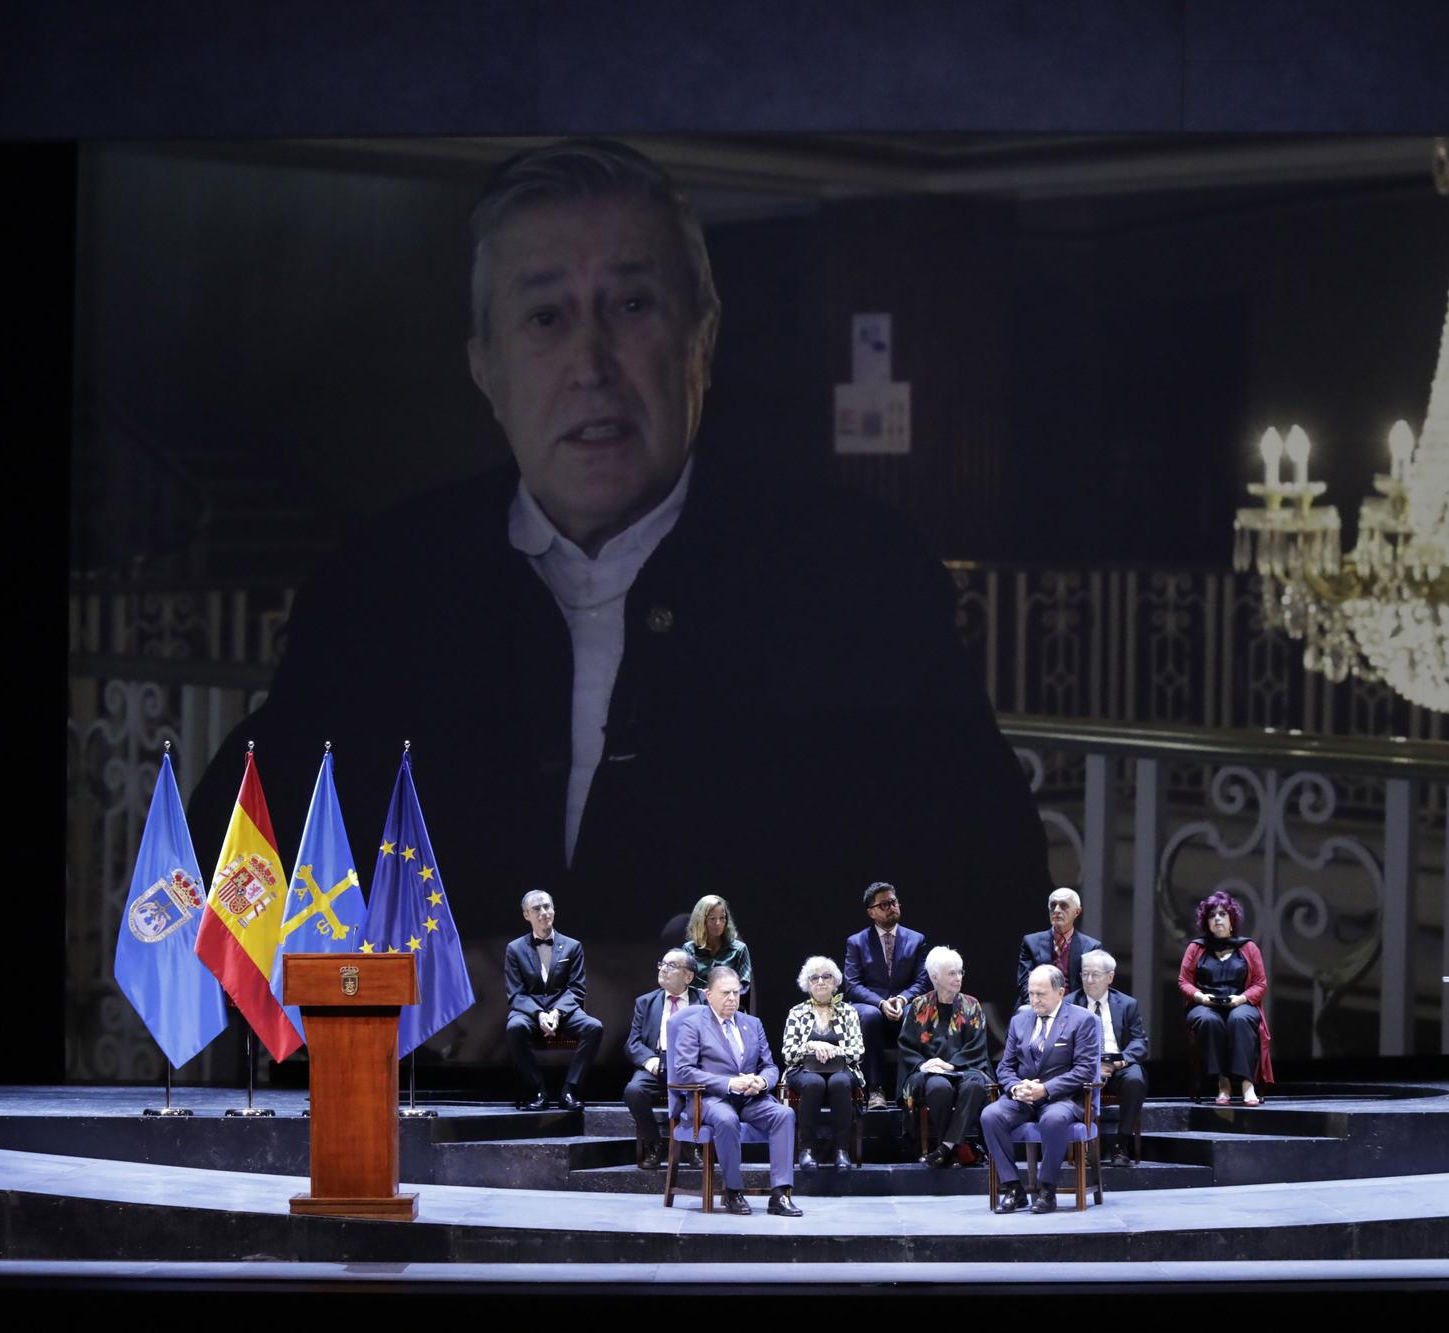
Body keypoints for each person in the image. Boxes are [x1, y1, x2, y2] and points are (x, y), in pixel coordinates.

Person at [184, 138, 1051, 1065]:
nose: (591, 362)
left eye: (633, 305)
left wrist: (674, 985)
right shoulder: (381, 582)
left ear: (703, 336)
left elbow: (983, 906)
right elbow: (236, 869)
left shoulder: (857, 580)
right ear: (485, 365)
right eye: (546, 316)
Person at [669, 966, 802, 1216]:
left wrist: (761, 1082)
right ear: (709, 995)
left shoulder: (752, 1023)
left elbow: (770, 1066)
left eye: (736, 993)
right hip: (710, 1098)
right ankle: (733, 1192)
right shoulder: (692, 1025)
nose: (732, 998)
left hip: (752, 1098)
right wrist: (729, 1083)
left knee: (785, 1115)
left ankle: (780, 1194)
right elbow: (684, 1071)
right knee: (726, 1119)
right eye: (726, 993)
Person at [983, 963, 1102, 1214]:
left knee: (1054, 1119)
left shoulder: (1083, 1021)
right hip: (1025, 1097)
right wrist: (1016, 1088)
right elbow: (1005, 1067)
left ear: (1060, 992)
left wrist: (1045, 1090)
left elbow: (1084, 1071)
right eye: (1031, 993)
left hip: (1064, 1098)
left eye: (1041, 994)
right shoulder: (1019, 1021)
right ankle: (1014, 1188)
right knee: (990, 1115)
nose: (1034, 1000)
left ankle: (1047, 1189)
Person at [503, 890, 604, 1110]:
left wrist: (557, 1012)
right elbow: (516, 994)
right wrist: (539, 1014)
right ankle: (537, 1090)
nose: (543, 912)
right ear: (526, 915)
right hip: (529, 1011)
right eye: (536, 909)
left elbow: (577, 988)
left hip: (563, 1009)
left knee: (594, 1027)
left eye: (547, 907)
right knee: (515, 1027)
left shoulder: (572, 946)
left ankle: (570, 1089)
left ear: (554, 910)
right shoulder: (515, 948)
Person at [897, 945, 991, 1169]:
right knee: (939, 1088)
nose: (958, 978)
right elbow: (906, 1045)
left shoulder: (972, 1005)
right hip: (931, 1072)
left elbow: (978, 1046)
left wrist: (950, 1064)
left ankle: (945, 1148)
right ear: (935, 977)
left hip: (966, 1067)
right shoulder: (919, 1006)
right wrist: (925, 1064)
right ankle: (960, 1148)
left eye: (960, 972)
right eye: (952, 973)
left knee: (975, 1085)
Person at [1180, 891, 1275, 1105]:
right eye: (1212, 915)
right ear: (1207, 923)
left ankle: (1246, 1083)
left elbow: (1261, 983)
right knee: (1209, 1020)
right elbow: (1183, 981)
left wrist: (1240, 999)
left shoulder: (1248, 947)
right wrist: (1202, 998)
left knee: (1239, 1019)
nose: (1217, 918)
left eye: (1222, 914)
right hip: (1205, 1003)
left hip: (1239, 1002)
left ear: (1231, 920)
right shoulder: (1196, 948)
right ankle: (1223, 1084)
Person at [844, 880, 931, 1107]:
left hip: (905, 1002)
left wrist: (902, 999)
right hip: (873, 1006)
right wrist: (882, 1003)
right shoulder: (856, 942)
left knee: (914, 1011)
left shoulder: (917, 939)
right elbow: (852, 985)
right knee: (870, 1016)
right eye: (884, 905)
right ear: (871, 912)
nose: (892, 907)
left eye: (894, 902)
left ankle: (907, 1090)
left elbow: (923, 980)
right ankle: (875, 1090)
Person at [779, 956, 864, 1169]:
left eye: (826, 977)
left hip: (842, 1068)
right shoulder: (797, 1013)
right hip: (803, 1069)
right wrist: (811, 1046)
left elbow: (857, 1052)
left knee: (839, 1083)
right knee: (814, 1083)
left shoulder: (849, 1011)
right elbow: (788, 1054)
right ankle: (806, 1151)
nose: (820, 982)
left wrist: (835, 1050)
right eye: (814, 978)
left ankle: (841, 1151)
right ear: (806, 984)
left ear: (835, 982)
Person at [622, 947, 703, 1169]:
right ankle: (653, 1143)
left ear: (688, 976)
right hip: (657, 1062)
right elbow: (633, 1043)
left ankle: (691, 1143)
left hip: (691, 1064)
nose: (664, 969)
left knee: (701, 1091)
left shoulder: (703, 1001)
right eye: (662, 964)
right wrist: (650, 1061)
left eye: (672, 966)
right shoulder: (645, 1002)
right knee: (633, 1091)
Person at [1077, 948, 1148, 1166]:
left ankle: (1122, 1145)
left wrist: (1121, 1060)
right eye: (1084, 974)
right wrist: (1093, 1065)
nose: (1089, 980)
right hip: (1084, 1064)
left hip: (1118, 1063)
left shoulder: (1127, 1004)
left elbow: (1140, 1042)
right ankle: (1085, 1145)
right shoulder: (1071, 1003)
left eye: (1095, 975)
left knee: (1135, 1079)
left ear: (1110, 977)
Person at [1015, 887, 1101, 1009]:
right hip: (1036, 1006)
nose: (1056, 910)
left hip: (1074, 1010)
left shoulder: (1091, 947)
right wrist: (1039, 1006)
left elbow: (1092, 987)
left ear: (1077, 912)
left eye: (1063, 906)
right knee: (1024, 1010)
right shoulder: (1031, 942)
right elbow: (1024, 983)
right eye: (1053, 905)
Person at [684, 894, 752, 999]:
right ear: (701, 921)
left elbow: (744, 985)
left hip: (730, 1006)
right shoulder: (689, 949)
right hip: (699, 1007)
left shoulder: (739, 949)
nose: (718, 923)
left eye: (722, 918)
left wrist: (723, 994)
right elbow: (686, 983)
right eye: (712, 918)